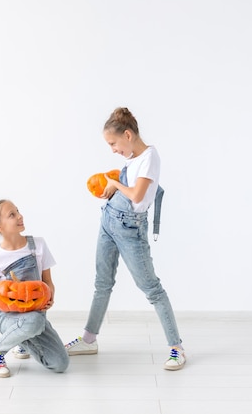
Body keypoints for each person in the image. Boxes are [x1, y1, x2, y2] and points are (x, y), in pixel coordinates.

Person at [65, 107, 186, 370]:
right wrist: (110, 189)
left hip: (130, 229)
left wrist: (115, 184)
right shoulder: (133, 158)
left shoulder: (150, 157)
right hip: (109, 221)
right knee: (102, 283)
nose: (113, 149)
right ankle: (88, 339)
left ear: (128, 135)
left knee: (152, 289)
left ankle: (176, 348)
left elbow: (137, 196)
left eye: (113, 143)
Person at [0, 199, 69, 377]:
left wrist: (50, 296)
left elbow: (47, 281)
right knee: (33, 322)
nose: (20, 216)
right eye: (12, 215)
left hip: (35, 314)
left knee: (60, 364)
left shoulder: (38, 245)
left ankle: (21, 339)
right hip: (7, 316)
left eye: (18, 211)